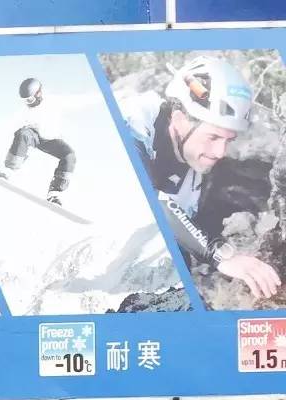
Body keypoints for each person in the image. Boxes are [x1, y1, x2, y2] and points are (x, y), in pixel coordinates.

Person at [119, 55, 281, 301]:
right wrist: (218, 254)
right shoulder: (134, 118)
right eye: (213, 137)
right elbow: (150, 198)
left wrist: (232, 254)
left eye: (228, 140)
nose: (220, 152)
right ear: (179, 119)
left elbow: (184, 230)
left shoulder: (192, 167)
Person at [0, 77, 76, 207]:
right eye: (25, 100)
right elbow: (5, 124)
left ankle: (54, 194)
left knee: (69, 155)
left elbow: (76, 100)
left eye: (30, 100)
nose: (28, 103)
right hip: (34, 136)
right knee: (23, 133)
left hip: (53, 140)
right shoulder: (24, 111)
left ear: (38, 93)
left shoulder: (54, 101)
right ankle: (8, 170)